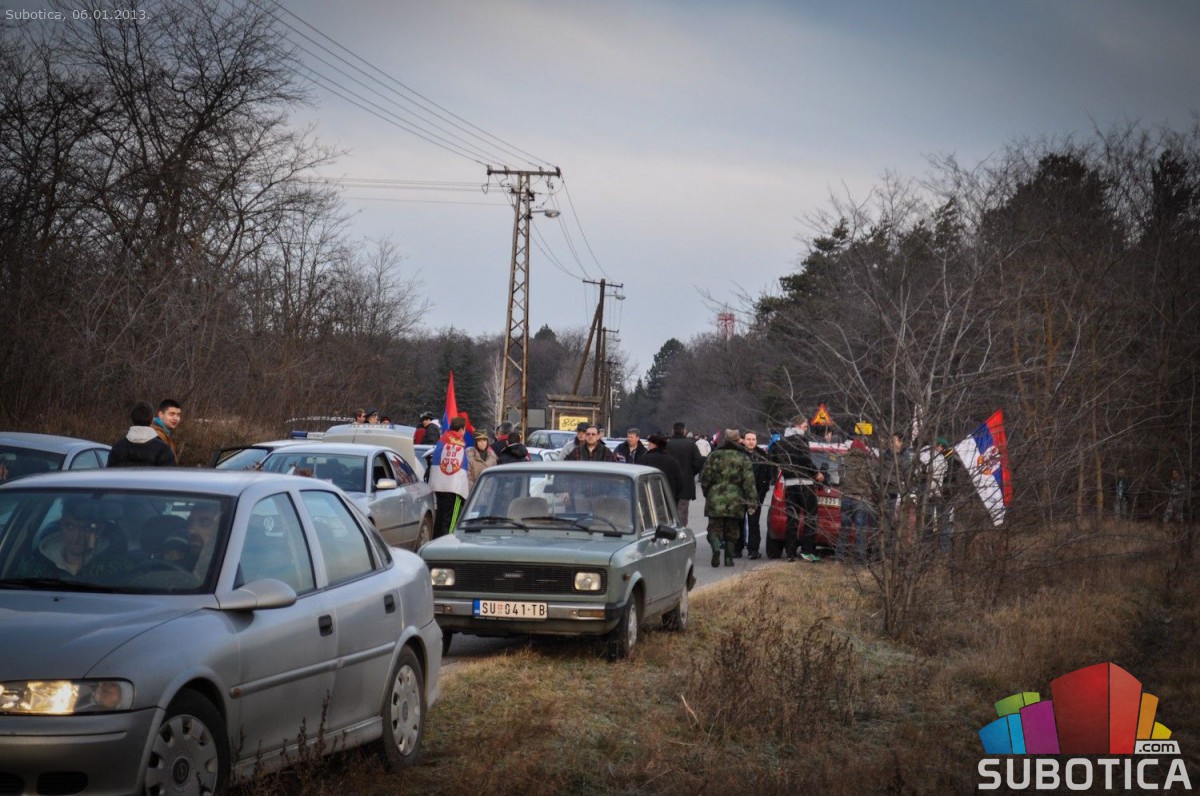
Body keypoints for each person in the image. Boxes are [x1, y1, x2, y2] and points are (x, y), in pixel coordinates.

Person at [15, 498, 127, 578]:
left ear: (97, 529)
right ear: (61, 525)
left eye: (85, 528)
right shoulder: (36, 565)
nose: (76, 536)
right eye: (70, 526)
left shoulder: (115, 566)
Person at [699, 429, 757, 567]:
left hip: (715, 496)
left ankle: (716, 548)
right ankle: (729, 558)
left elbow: (705, 478)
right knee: (733, 530)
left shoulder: (714, 455)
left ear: (724, 440)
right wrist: (752, 501)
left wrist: (707, 493)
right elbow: (749, 482)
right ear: (738, 440)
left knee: (714, 528)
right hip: (735, 498)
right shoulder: (743, 458)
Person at [770, 415, 824, 562]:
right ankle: (807, 551)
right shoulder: (801, 440)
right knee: (810, 517)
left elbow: (773, 459)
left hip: (789, 484)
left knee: (792, 519)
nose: (806, 430)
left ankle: (790, 553)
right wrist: (816, 473)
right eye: (805, 426)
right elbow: (805, 460)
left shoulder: (782, 441)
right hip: (805, 483)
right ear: (798, 426)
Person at [429, 416, 470, 537]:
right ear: (461, 430)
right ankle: (448, 539)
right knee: (451, 519)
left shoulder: (442, 440)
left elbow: (435, 460)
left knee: (440, 516)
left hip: (439, 485)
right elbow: (463, 467)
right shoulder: (461, 444)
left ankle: (436, 540)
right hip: (454, 488)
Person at [838, 438, 877, 562]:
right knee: (860, 530)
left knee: (844, 528)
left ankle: (839, 557)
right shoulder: (867, 462)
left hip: (846, 497)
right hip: (861, 499)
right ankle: (859, 559)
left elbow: (840, 477)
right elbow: (873, 480)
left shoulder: (844, 459)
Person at [108, 401, 177, 467]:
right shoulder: (163, 450)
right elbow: (170, 473)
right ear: (152, 420)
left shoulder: (117, 448)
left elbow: (109, 473)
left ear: (132, 418)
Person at [741, 430, 776, 560]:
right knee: (738, 522)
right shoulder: (738, 455)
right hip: (740, 495)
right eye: (748, 439)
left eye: (753, 439)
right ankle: (737, 549)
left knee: (753, 523)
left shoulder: (762, 457)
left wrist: (762, 493)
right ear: (743, 441)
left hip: (756, 496)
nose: (751, 442)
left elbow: (768, 477)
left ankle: (753, 550)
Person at [666, 422, 706, 526]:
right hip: (685, 482)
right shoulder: (691, 445)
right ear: (684, 431)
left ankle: (669, 530)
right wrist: (691, 472)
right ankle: (681, 530)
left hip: (669, 482)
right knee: (682, 510)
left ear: (673, 431)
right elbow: (699, 461)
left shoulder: (667, 445)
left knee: (668, 509)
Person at [878, 432, 913, 550]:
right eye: (891, 441)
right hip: (884, 491)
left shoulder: (905, 456)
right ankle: (882, 548)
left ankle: (892, 548)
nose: (891, 443)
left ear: (900, 442)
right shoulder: (886, 454)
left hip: (896, 492)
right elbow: (878, 471)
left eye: (894, 441)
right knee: (884, 520)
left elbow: (907, 475)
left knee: (894, 520)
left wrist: (904, 491)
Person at [643, 433, 683, 505]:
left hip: (649, 498)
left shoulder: (645, 459)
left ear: (654, 445)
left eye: (650, 443)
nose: (648, 445)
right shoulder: (672, 460)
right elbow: (679, 482)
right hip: (669, 498)